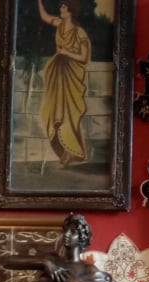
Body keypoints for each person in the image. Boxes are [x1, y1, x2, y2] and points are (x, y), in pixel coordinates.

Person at [37, 0, 91, 167]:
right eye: (61, 6)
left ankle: (72, 151)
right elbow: (45, 17)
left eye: (63, 6)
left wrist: (66, 52)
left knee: (69, 114)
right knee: (53, 111)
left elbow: (83, 57)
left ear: (70, 11)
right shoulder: (59, 24)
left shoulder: (79, 32)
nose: (60, 8)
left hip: (71, 75)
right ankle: (65, 151)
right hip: (57, 73)